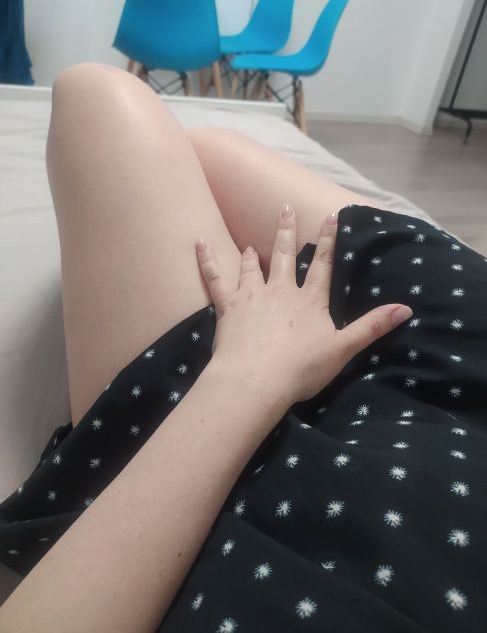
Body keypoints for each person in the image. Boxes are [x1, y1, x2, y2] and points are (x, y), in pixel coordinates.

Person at [0, 62, 485, 632]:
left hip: (308, 498)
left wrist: (249, 374)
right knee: (207, 150)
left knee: (98, 95)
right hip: (463, 360)